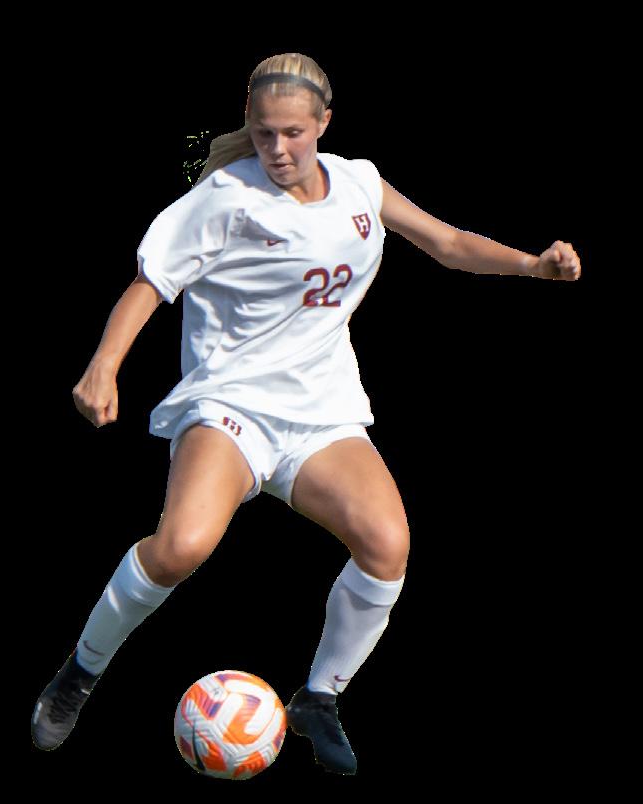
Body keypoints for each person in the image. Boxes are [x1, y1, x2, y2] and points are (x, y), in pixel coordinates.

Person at [31, 52, 582, 775]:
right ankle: (79, 673)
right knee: (181, 548)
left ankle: (318, 699)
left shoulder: (358, 183)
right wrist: (104, 365)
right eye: (264, 133)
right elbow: (149, 283)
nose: (279, 149)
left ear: (324, 122)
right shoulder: (226, 197)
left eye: (293, 132)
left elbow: (447, 244)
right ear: (250, 125)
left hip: (321, 411)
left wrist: (532, 265)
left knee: (387, 545)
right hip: (231, 405)